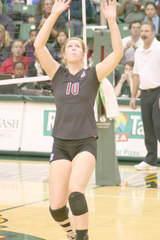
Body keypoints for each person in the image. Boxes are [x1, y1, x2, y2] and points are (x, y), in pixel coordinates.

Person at [34, 0, 123, 239]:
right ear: (64, 53)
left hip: (85, 141)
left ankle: (83, 236)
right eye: (70, 46)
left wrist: (112, 20)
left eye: (78, 46)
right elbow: (39, 45)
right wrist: (53, 14)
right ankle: (72, 234)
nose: (73, 48)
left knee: (76, 193)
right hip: (61, 143)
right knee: (56, 208)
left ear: (84, 54)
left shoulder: (92, 74)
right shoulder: (56, 73)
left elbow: (118, 53)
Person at [130, 21, 160, 171]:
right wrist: (134, 96)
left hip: (158, 92)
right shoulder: (138, 51)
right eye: (142, 31)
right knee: (148, 128)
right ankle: (150, 160)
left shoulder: (159, 48)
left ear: (153, 33)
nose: (143, 34)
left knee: (158, 126)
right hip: (145, 93)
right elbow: (136, 75)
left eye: (147, 31)